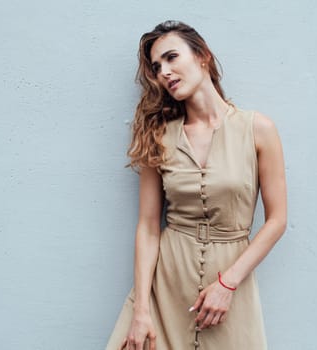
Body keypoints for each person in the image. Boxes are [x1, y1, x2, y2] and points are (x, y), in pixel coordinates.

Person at [106, 20, 287, 350]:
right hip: (167, 283)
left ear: (203, 56)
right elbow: (147, 227)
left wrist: (227, 284)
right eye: (157, 67)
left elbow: (277, 221)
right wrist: (141, 311)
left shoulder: (258, 129)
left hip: (231, 283)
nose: (164, 72)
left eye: (172, 57)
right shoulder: (157, 136)